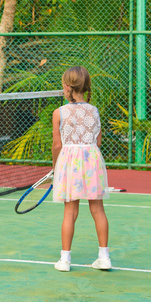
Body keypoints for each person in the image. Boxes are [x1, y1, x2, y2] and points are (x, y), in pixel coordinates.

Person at [51, 66, 110, 272]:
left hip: (69, 162)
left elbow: (57, 145)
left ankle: (65, 261)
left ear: (67, 87)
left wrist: (55, 167)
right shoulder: (94, 111)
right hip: (92, 160)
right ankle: (104, 257)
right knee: (98, 210)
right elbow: (98, 141)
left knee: (70, 212)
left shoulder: (59, 113)